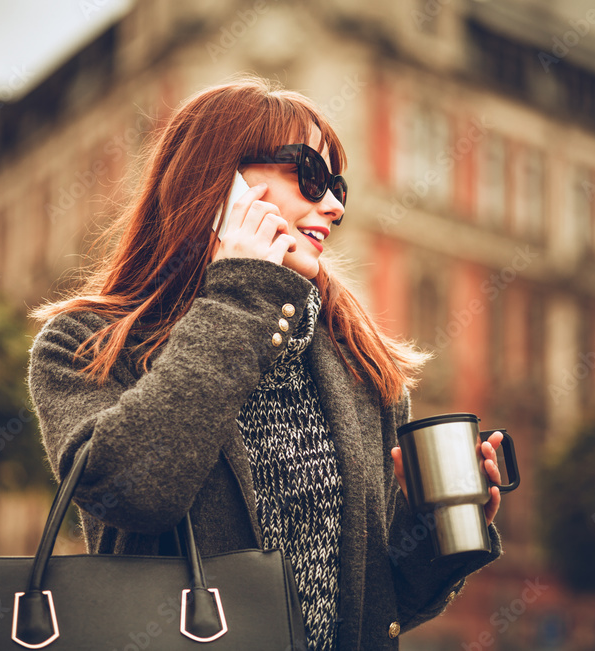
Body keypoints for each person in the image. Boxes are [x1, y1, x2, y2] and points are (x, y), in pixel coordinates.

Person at [27, 76, 504, 650]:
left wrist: (434, 532)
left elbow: (380, 604)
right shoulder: (85, 343)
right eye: (310, 177)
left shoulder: (359, 363)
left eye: (339, 189)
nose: (332, 206)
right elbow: (134, 493)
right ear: (219, 179)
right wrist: (241, 294)